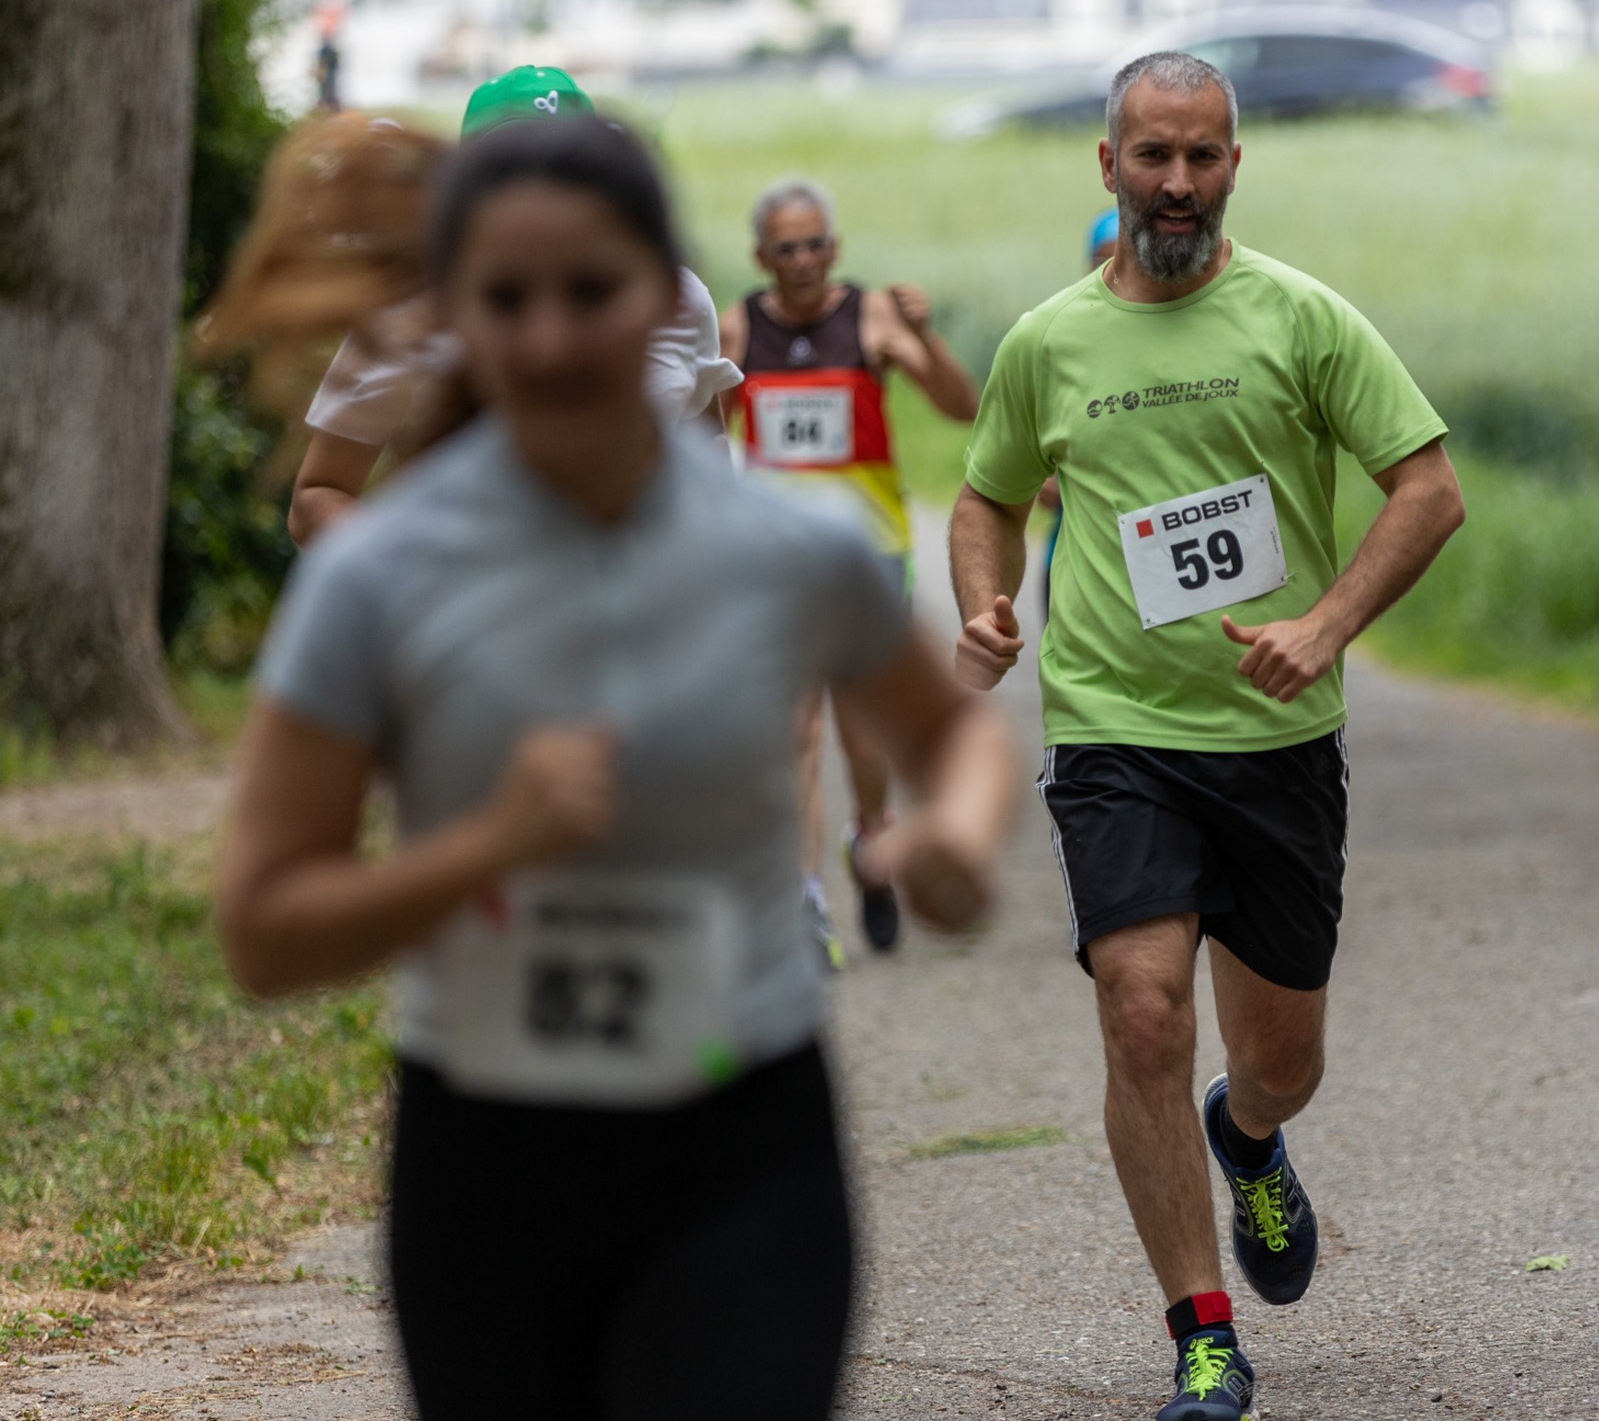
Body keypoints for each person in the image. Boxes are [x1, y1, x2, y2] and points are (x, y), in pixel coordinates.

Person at [216, 116, 1016, 1419]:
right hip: (487, 1161)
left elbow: (955, 735)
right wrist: (487, 847)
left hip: (743, 1145)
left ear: (672, 303)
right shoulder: (380, 576)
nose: (548, 338)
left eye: (591, 291)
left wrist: (956, 838)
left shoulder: (789, 549)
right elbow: (262, 928)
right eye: (505, 299)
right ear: (453, 318)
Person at [948, 51, 1464, 1421]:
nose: (1177, 182)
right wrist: (985, 603)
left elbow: (1427, 488)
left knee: (1286, 1056)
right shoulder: (1049, 342)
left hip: (1276, 736)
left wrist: (1327, 626)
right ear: (1107, 165)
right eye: (1153, 156)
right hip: (1113, 730)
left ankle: (1249, 1133)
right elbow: (986, 494)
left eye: (1202, 156)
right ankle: (1203, 1335)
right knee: (1141, 1012)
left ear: (1234, 163)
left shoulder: (1302, 318)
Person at [287, 66, 739, 547]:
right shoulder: (407, 314)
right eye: (510, 169)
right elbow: (317, 496)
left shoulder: (674, 297)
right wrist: (428, 567)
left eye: (565, 167)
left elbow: (709, 456)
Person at [721, 176, 980, 956]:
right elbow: (697, 431)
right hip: (777, 562)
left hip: (870, 554)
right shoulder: (737, 331)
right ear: (760, 257)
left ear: (834, 248)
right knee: (795, 729)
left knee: (864, 737)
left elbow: (960, 407)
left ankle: (869, 836)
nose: (802, 260)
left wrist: (925, 337)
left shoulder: (872, 317)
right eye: (786, 248)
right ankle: (806, 902)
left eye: (814, 245)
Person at [1034, 209, 1119, 620]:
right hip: (1073, 564)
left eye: (1128, 257)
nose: (1117, 271)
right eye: (1104, 259)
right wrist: (1046, 481)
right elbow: (1025, 464)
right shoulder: (1060, 344)